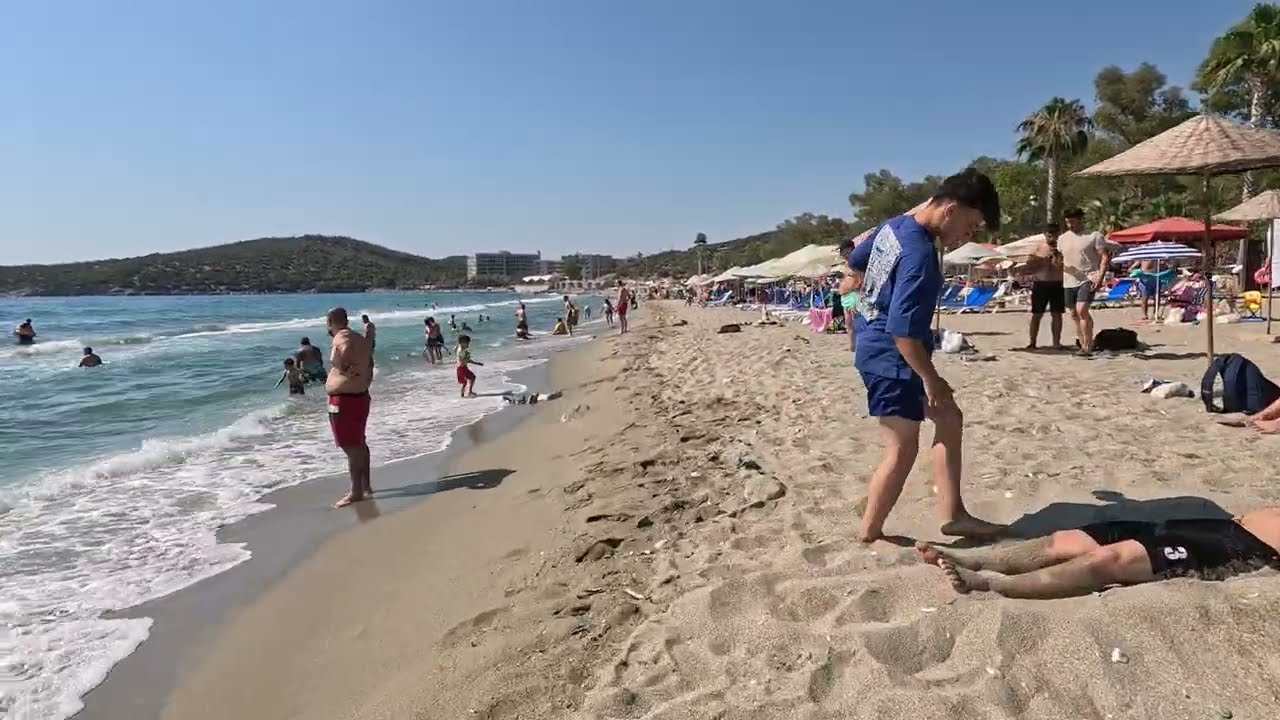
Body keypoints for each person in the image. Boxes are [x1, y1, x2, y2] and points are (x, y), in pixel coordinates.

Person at [846, 168, 1006, 543]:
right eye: (971, 225)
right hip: (893, 358)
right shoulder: (919, 255)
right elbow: (903, 332)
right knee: (902, 447)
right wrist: (931, 379)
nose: (969, 235)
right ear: (950, 210)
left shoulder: (894, 227)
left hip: (876, 347)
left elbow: (856, 258)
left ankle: (954, 515)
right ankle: (870, 531)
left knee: (949, 417)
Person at [917, 505, 1280, 600]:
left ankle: (990, 584)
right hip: (1217, 524)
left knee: (1111, 559)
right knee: (1067, 539)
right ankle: (978, 560)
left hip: (1240, 548)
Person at [325, 307, 374, 508]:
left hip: (343, 400)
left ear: (330, 322)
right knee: (360, 443)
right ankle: (365, 485)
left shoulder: (341, 337)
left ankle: (356, 492)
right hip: (361, 396)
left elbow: (341, 351)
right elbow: (369, 353)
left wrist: (343, 366)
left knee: (351, 447)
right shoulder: (361, 339)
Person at [1058, 207, 1111, 356]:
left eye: (1073, 221)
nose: (1070, 225)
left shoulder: (1094, 236)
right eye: (1068, 222)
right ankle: (1083, 342)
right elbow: (1060, 259)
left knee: (1082, 310)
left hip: (1089, 277)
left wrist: (1100, 276)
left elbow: (1104, 256)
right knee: (1074, 314)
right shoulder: (1062, 239)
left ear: (1080, 220)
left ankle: (1087, 347)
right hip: (1069, 279)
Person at [1024, 222, 1066, 350]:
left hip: (1057, 283)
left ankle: (1056, 342)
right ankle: (1032, 342)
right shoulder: (1039, 248)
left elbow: (1067, 266)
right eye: (1049, 235)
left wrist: (1058, 258)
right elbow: (1029, 266)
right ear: (1045, 235)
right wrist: (1040, 261)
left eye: (1054, 235)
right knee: (1037, 314)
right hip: (1041, 283)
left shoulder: (1063, 248)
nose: (1052, 238)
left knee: (1057, 314)